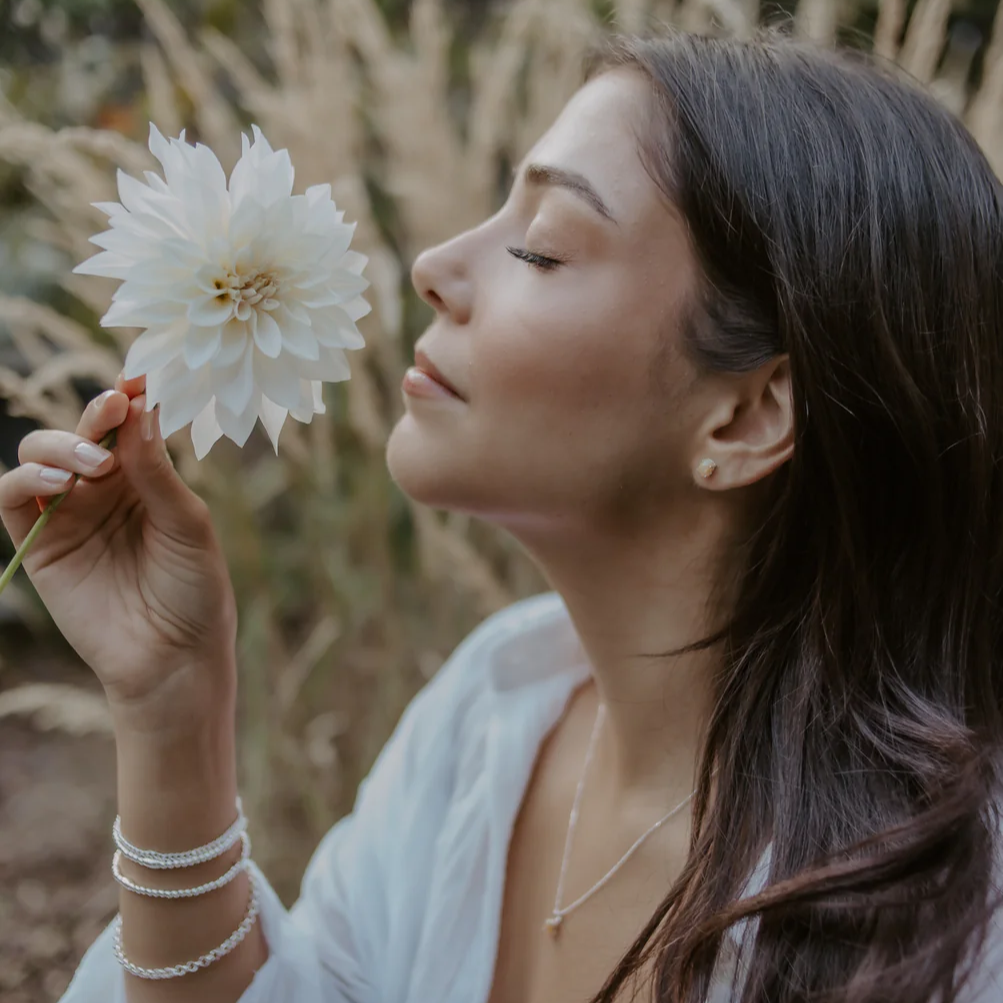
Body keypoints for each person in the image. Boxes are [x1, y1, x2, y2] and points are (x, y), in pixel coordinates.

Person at [3, 26, 1002, 1003]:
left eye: (541, 248)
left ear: (743, 415)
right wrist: (172, 705)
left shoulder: (964, 919)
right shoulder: (487, 716)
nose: (434, 263)